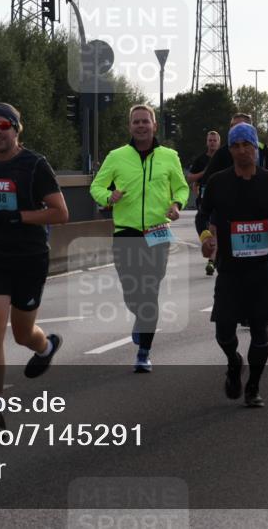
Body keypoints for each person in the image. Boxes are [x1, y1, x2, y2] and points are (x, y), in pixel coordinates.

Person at [0, 104, 69, 429]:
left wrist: (20, 216)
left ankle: (45, 345)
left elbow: (60, 212)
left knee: (22, 334)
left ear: (16, 129)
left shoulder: (34, 165)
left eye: (4, 125)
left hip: (29, 258)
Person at [199, 123, 268, 408]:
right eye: (236, 146)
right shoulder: (219, 182)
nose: (242, 150)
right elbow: (203, 215)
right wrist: (206, 236)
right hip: (230, 269)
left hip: (263, 269)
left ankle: (253, 386)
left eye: (247, 145)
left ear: (256, 148)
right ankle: (234, 362)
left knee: (260, 331)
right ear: (229, 150)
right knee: (224, 332)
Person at [90, 104, 189, 373]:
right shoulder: (116, 156)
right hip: (126, 232)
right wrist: (107, 197)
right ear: (130, 127)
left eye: (146, 121)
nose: (141, 126)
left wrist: (177, 204)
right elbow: (96, 186)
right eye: (136, 122)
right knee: (132, 291)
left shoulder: (169, 156)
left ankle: (144, 352)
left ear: (154, 125)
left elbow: (181, 186)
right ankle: (138, 317)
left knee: (151, 289)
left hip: (157, 231)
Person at [188, 130, 221, 275]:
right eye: (210, 140)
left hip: (221, 198)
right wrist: (204, 172)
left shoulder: (224, 157)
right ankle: (212, 252)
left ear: (219, 142)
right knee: (204, 227)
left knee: (215, 229)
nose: (212, 143)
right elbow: (190, 178)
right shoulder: (200, 159)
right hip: (204, 199)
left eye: (215, 140)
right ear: (206, 142)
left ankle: (211, 261)